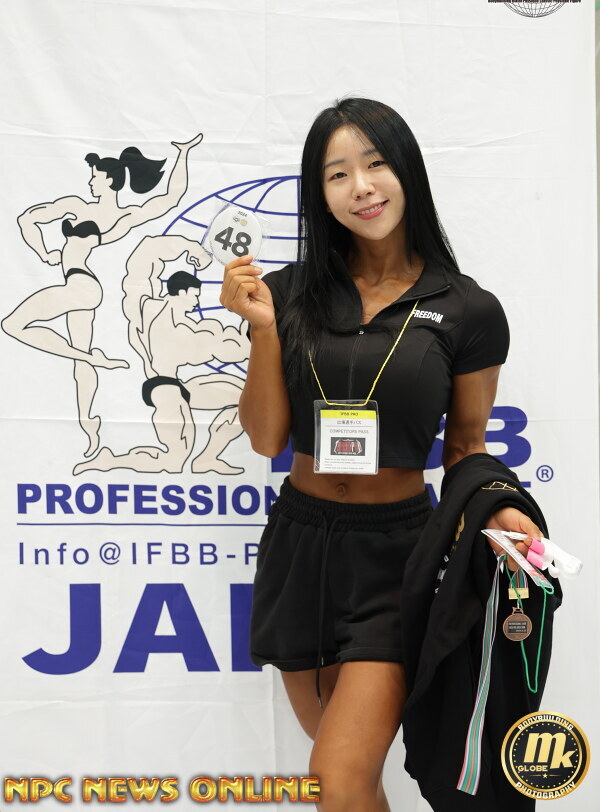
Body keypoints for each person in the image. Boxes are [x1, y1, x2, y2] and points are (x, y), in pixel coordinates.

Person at [220, 97, 543, 812]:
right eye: (338, 174)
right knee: (349, 781)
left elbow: (466, 446)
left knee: (335, 779)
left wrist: (501, 508)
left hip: (398, 558)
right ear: (321, 194)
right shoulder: (287, 293)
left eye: (375, 164)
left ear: (406, 172)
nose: (361, 187)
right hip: (300, 547)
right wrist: (265, 331)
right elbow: (268, 439)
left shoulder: (468, 309)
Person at [2, 133, 203, 458]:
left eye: (95, 177)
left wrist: (183, 154)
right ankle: (90, 428)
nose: (91, 182)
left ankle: (93, 359)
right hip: (83, 287)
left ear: (110, 180)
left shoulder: (96, 211)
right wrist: (45, 252)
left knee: (12, 324)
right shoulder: (112, 215)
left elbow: (171, 198)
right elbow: (26, 219)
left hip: (80, 286)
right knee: (79, 361)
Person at [74, 268, 248, 476]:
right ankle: (110, 460)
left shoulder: (150, 308)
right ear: (181, 292)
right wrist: (249, 327)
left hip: (176, 385)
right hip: (165, 389)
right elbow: (218, 347)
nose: (197, 302)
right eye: (194, 296)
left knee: (246, 398)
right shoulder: (168, 322)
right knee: (173, 462)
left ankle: (207, 459)